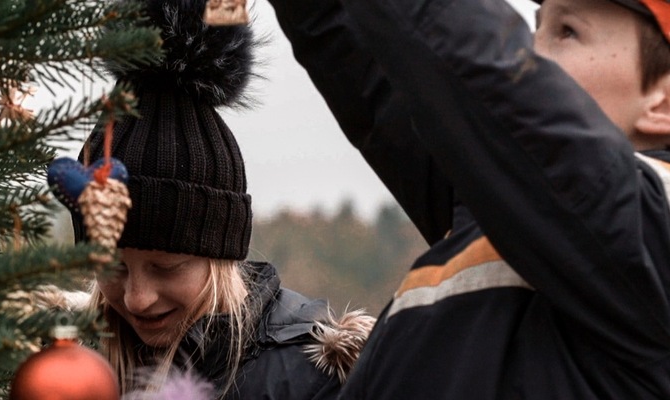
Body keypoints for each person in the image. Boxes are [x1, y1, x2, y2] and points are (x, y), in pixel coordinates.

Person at [264, 0, 670, 398]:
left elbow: (471, 57)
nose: (530, 50)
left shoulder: (650, 229)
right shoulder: (504, 217)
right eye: (536, 26)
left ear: (663, 101)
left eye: (568, 31)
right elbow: (370, 65)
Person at [73, 0, 375, 398]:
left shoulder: (311, 381)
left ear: (221, 254)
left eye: (166, 267)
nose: (137, 298)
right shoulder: (60, 369)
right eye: (112, 266)